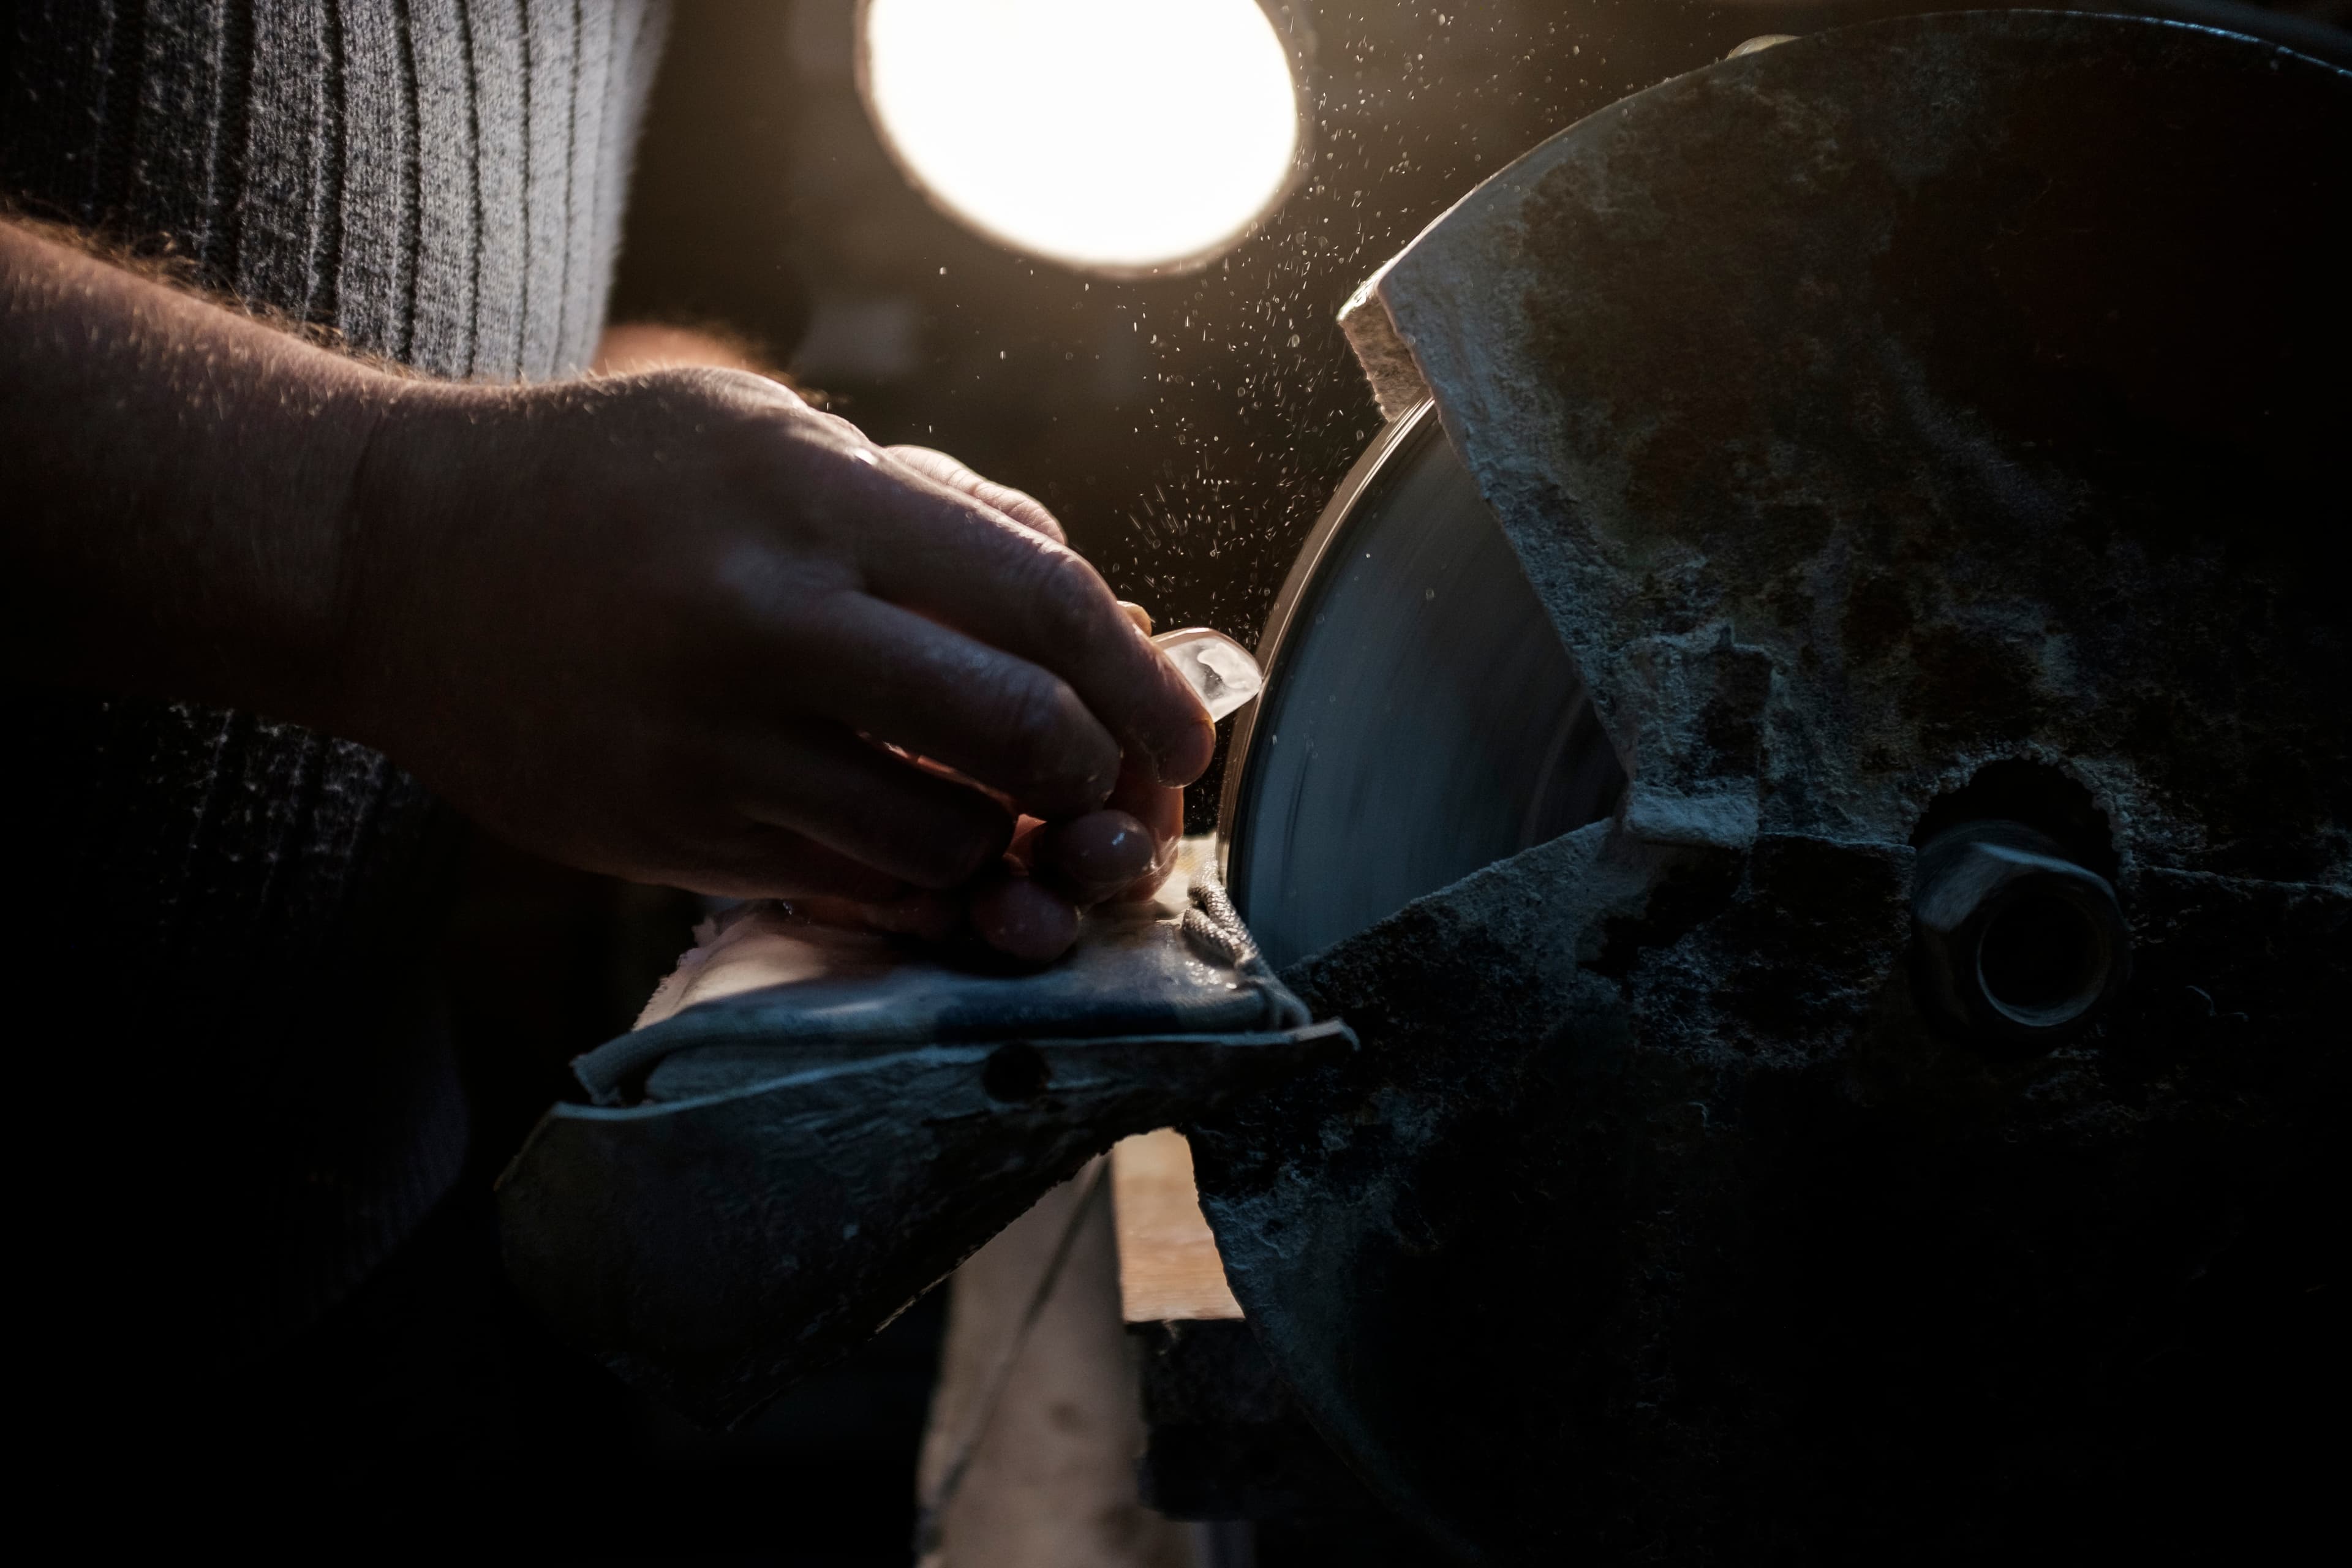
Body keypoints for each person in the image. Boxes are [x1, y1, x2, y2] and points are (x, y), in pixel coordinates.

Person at [1, 0, 1206, 1512]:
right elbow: (435, 521)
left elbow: (673, 275)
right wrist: (393, 541)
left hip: (365, 1255)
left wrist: (773, 579)